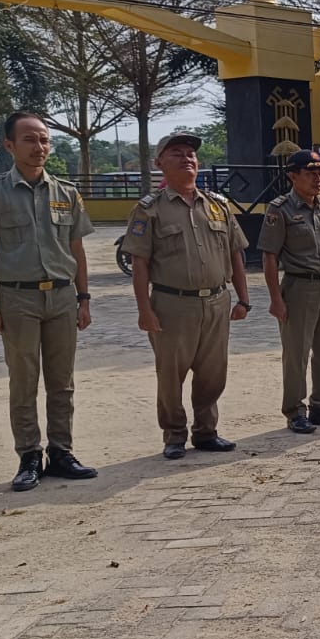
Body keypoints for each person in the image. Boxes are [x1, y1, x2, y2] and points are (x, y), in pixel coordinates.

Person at [0, 111, 97, 490]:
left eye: (43, 139)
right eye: (29, 139)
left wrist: (84, 298)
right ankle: (28, 456)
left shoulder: (67, 193)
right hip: (17, 298)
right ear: (9, 145)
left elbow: (77, 249)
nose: (39, 147)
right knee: (23, 380)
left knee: (62, 381)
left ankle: (61, 452)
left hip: (61, 297)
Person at [125, 131, 251, 460]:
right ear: (159, 163)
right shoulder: (149, 210)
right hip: (171, 304)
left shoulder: (218, 206)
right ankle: (174, 434)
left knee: (213, 372)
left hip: (216, 301)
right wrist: (144, 310)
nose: (187, 158)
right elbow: (140, 263)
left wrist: (243, 298)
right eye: (177, 152)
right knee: (171, 374)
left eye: (191, 153)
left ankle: (206, 432)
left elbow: (236, 253)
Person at [258, 148, 320, 434]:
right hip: (299, 287)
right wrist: (276, 298)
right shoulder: (280, 209)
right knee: (296, 353)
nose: (318, 179)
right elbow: (269, 256)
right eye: (311, 173)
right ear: (292, 176)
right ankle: (295, 411)